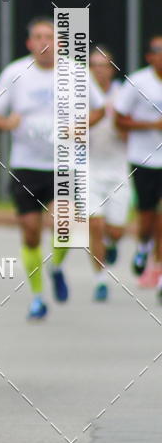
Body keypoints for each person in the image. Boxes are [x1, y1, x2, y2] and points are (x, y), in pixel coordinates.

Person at [0, 18, 104, 320]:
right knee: (31, 232)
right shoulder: (15, 73)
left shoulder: (76, 72)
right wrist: (6, 122)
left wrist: (83, 125)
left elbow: (99, 109)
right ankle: (37, 297)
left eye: (49, 36)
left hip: (65, 162)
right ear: (29, 44)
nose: (43, 42)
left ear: (60, 43)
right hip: (26, 165)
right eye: (37, 37)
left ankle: (57, 266)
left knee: (67, 227)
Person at [115, 36, 162, 293]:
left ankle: (159, 269)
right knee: (147, 216)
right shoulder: (137, 82)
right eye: (158, 51)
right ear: (149, 56)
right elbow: (119, 121)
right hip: (143, 158)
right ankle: (143, 246)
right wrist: (150, 126)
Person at [88, 47, 131, 301]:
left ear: (112, 69)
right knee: (95, 224)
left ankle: (112, 244)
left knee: (115, 230)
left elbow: (129, 132)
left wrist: (121, 124)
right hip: (90, 170)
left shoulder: (123, 96)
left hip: (118, 170)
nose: (98, 70)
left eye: (103, 65)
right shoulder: (81, 96)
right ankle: (100, 280)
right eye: (94, 65)